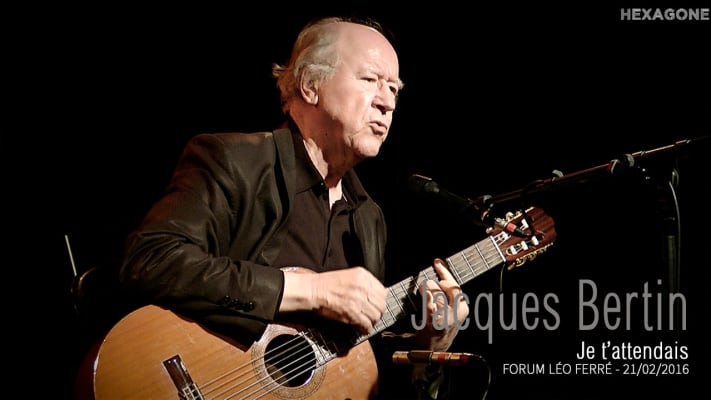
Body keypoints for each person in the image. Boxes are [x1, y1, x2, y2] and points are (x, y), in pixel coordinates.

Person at [119, 15, 469, 399]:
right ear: (310, 85)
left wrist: (430, 346)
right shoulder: (234, 161)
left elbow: (354, 369)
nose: (387, 102)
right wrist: (310, 289)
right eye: (370, 79)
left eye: (394, 89)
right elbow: (150, 260)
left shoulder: (368, 219)